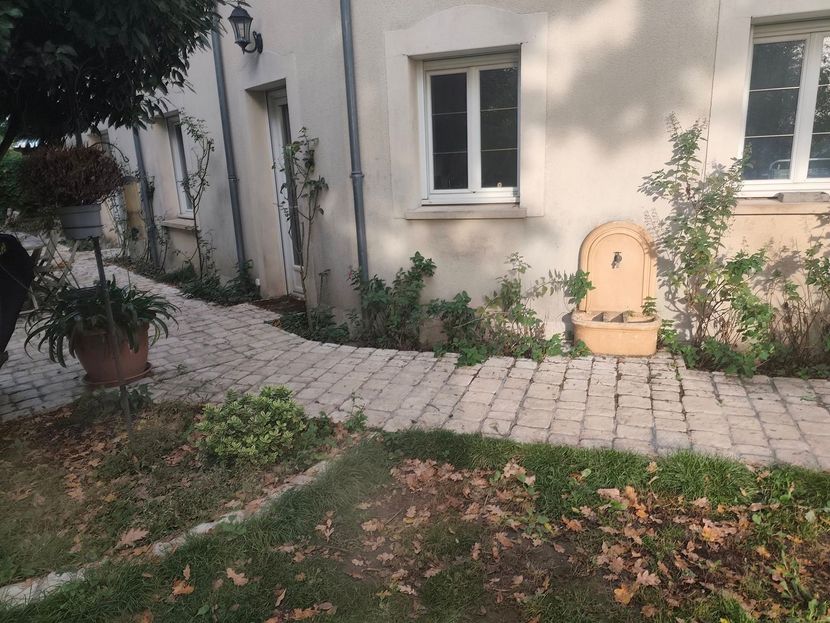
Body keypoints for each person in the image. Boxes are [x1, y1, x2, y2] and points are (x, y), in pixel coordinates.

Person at [0, 233, 35, 368]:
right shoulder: (8, 240)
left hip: (13, 285)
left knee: (5, 320)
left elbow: (25, 266)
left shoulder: (6, 242)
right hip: (13, 282)